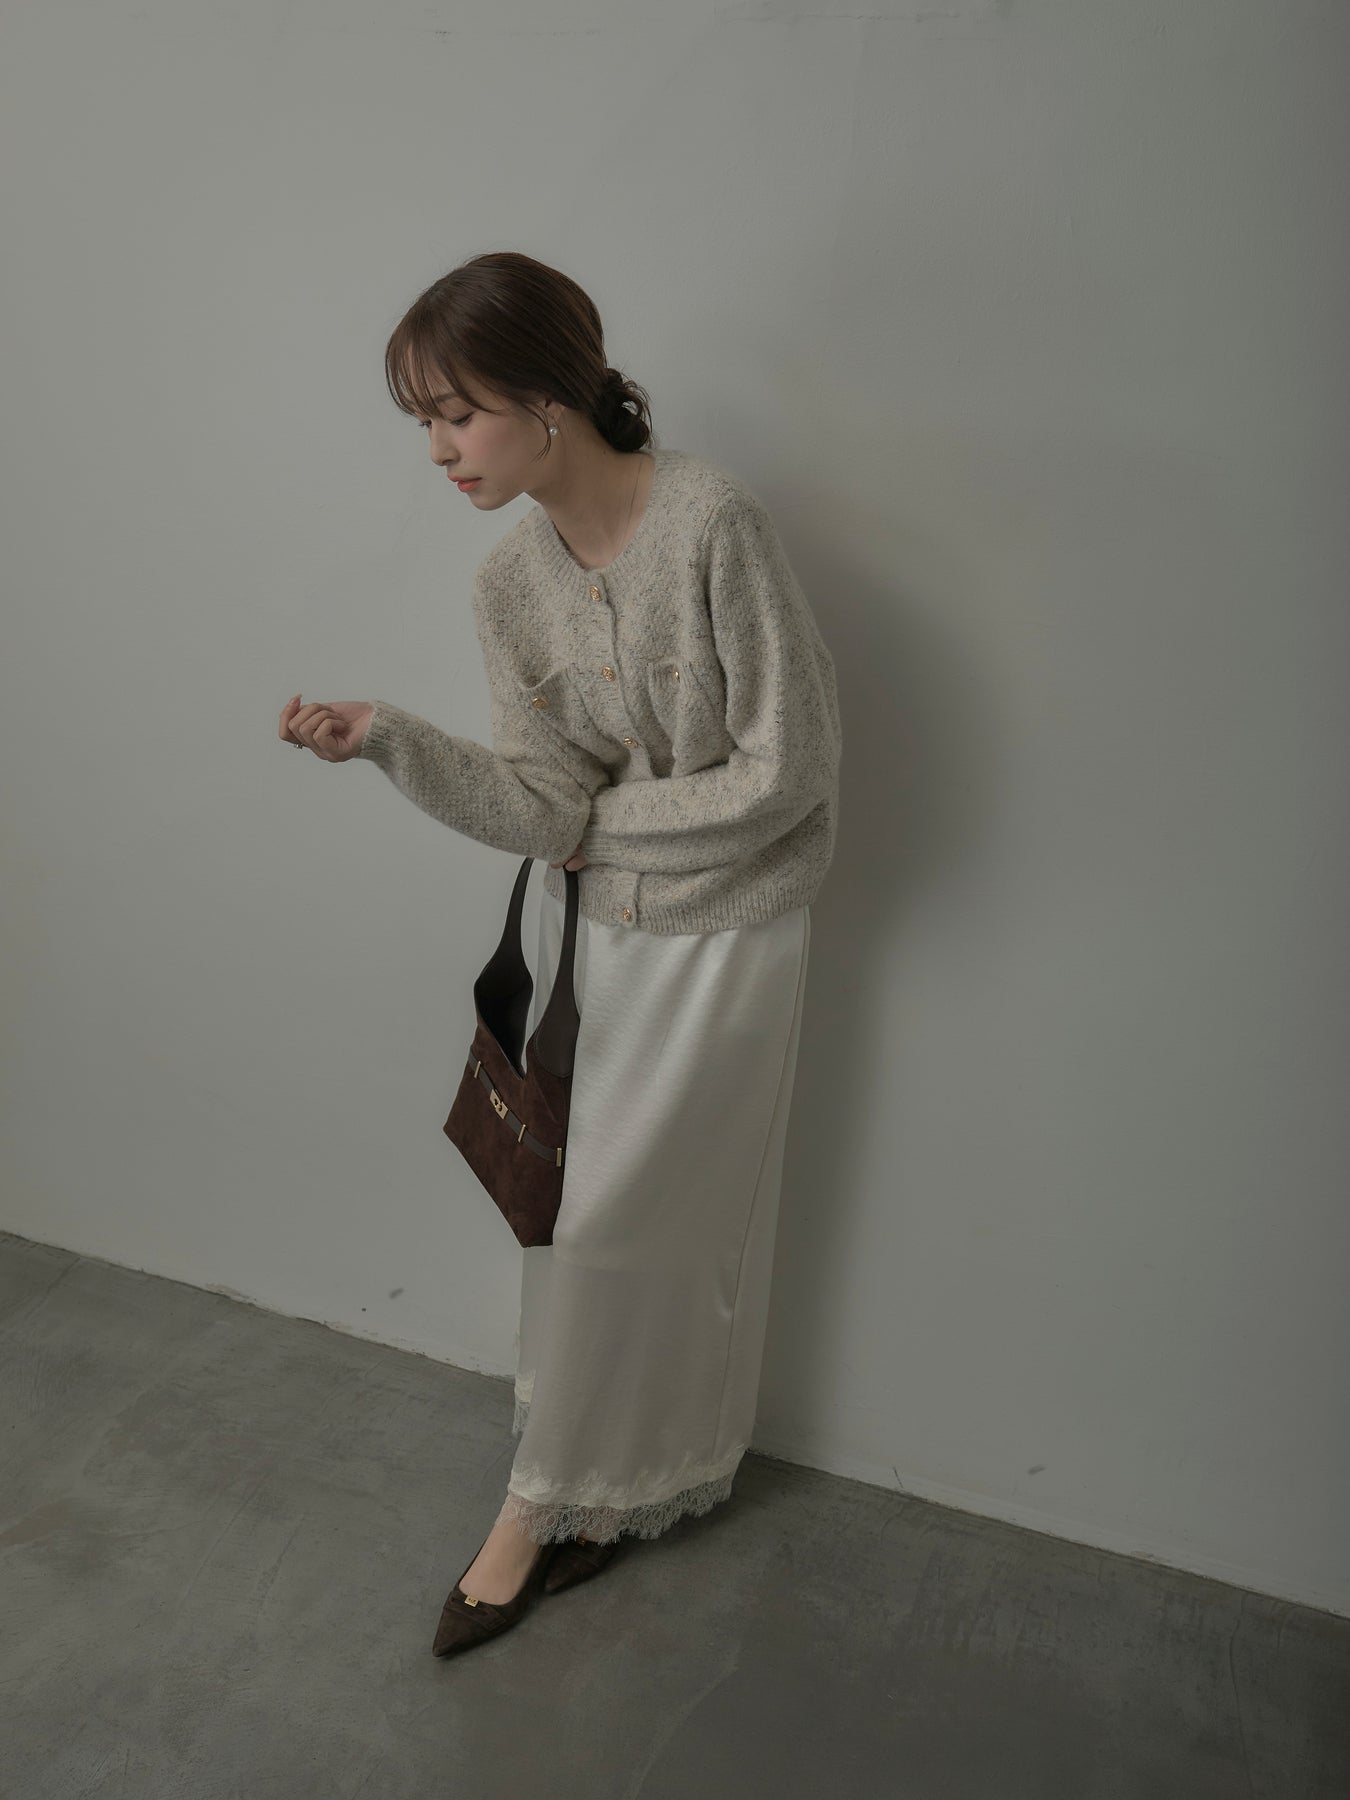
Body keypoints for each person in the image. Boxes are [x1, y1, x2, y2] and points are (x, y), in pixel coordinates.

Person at [277, 250, 843, 1658]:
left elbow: (789, 773)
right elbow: (540, 811)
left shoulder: (713, 523)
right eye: (424, 420)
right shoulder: (507, 584)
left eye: (455, 413)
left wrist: (606, 831)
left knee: (639, 1222)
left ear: (546, 397)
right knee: (586, 1223)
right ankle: (612, 1481)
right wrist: (390, 742)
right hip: (605, 939)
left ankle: (536, 1509)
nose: (438, 450)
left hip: (733, 932)